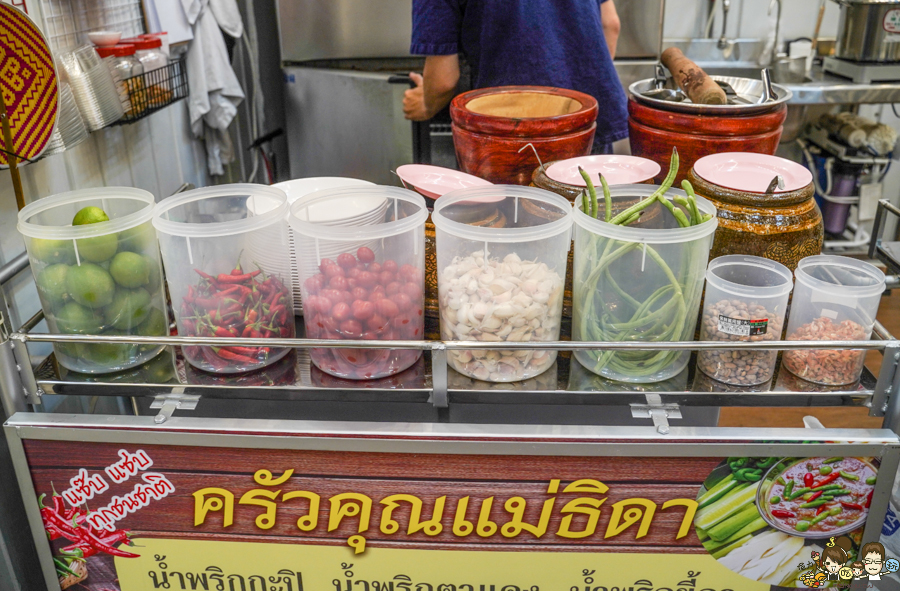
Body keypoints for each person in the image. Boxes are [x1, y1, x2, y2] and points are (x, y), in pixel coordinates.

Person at [403, 0, 628, 154]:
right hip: (584, 121)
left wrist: (425, 104)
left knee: (514, 220)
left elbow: (443, 81)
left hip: (508, 136)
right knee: (586, 217)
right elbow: (611, 24)